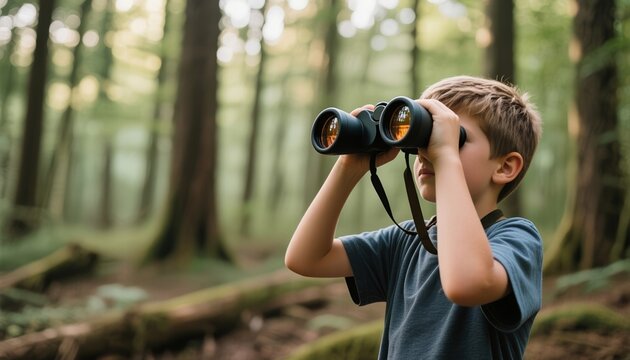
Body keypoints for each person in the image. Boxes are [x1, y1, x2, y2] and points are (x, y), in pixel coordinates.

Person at [285, 75, 543, 359]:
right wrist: (349, 165)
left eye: (453, 135)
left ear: (506, 167)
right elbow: (306, 258)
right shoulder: (406, 241)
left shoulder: (518, 238)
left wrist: (445, 156)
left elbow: (465, 283)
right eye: (426, 135)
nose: (425, 151)